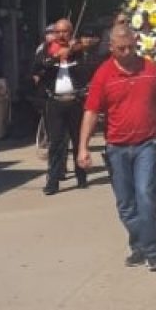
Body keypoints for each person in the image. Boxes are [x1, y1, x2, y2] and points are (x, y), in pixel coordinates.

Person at [78, 25, 156, 272]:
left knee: (145, 194)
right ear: (111, 48)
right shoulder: (103, 75)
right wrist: (82, 147)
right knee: (126, 204)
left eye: (131, 47)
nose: (128, 52)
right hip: (117, 147)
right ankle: (138, 243)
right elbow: (91, 112)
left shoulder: (149, 68)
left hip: (146, 144)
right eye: (121, 48)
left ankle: (152, 251)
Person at [33, 19, 97, 195]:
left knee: (78, 140)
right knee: (56, 143)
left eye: (65, 32)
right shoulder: (47, 50)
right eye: (58, 32)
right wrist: (56, 57)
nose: (61, 35)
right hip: (54, 102)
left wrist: (77, 51)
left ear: (71, 33)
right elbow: (37, 66)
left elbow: (90, 69)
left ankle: (81, 176)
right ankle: (52, 182)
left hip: (75, 101)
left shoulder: (79, 52)